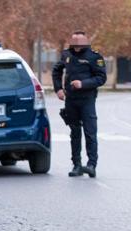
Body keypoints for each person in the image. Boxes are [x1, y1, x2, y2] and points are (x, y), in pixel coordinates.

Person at [52, 30, 107, 178]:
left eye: (79, 41)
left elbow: (101, 78)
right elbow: (56, 71)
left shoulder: (94, 56)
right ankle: (76, 165)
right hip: (70, 100)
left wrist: (83, 84)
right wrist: (58, 89)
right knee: (74, 133)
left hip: (87, 99)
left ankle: (91, 165)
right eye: (74, 41)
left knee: (90, 133)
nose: (76, 45)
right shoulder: (66, 55)